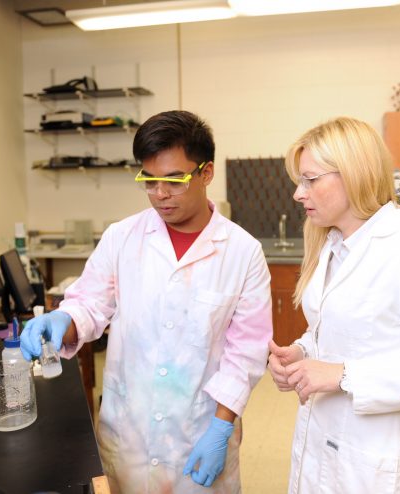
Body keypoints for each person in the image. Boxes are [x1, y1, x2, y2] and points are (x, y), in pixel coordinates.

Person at [20, 110, 273, 493]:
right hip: (129, 433)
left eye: (174, 180)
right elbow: (89, 304)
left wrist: (222, 426)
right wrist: (64, 319)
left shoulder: (242, 252)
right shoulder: (122, 237)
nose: (160, 193)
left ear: (206, 173)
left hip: (199, 433)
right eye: (150, 180)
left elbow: (247, 353)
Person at [267, 117, 400, 494]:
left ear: (353, 174)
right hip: (321, 433)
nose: (298, 194)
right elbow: (340, 330)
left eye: (310, 180)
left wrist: (343, 375)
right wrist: (301, 352)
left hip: (376, 456)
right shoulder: (330, 246)